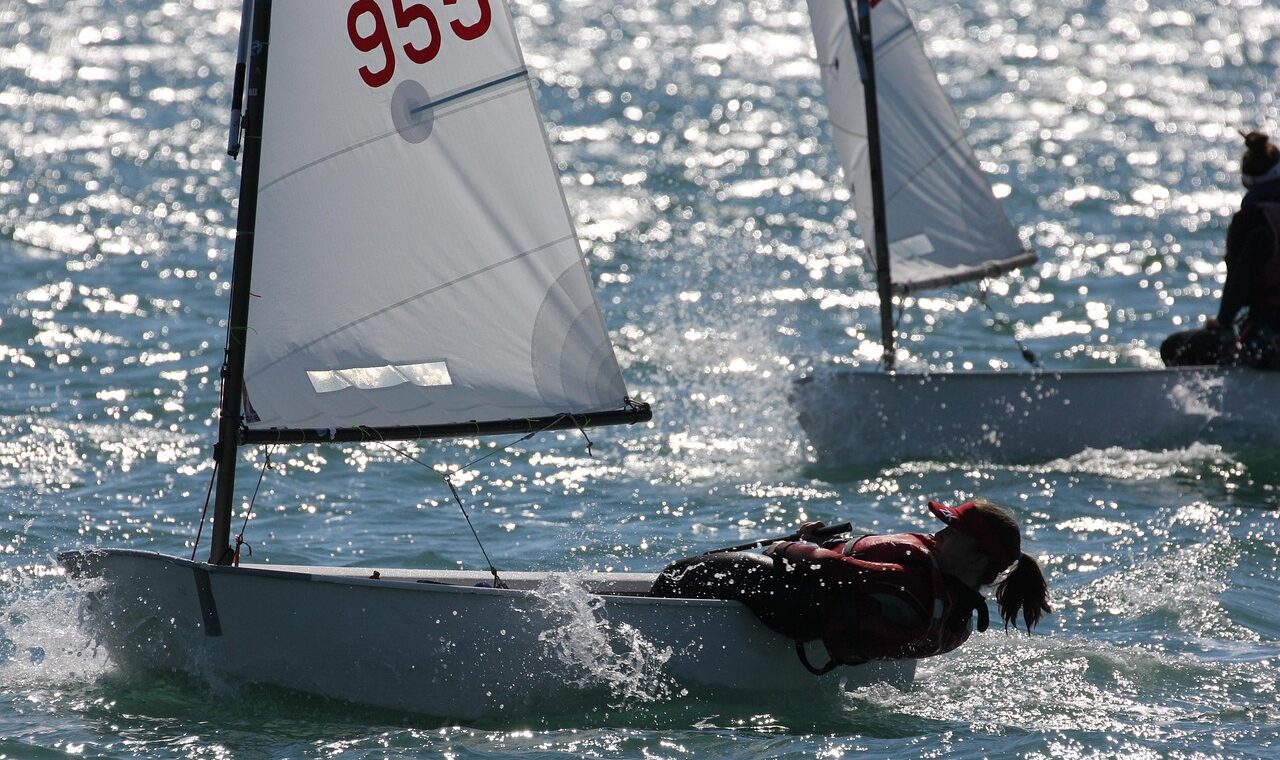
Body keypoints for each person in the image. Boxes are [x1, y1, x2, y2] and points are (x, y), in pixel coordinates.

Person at [649, 498, 1051, 670]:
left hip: (787, 600)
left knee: (675, 575)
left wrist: (791, 546)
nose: (939, 532)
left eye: (953, 531)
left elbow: (829, 568)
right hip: (816, 626)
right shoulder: (958, 618)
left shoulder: (911, 574)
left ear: (978, 556)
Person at [1162, 130, 1280, 368]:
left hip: (1269, 337)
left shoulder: (1253, 223)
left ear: (1246, 180)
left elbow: (1238, 286)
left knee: (1173, 348)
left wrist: (1223, 323)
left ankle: (1219, 401)